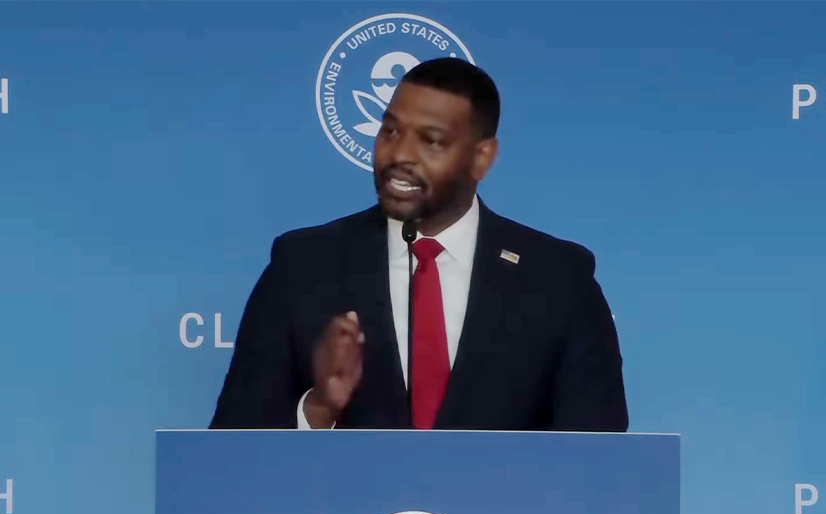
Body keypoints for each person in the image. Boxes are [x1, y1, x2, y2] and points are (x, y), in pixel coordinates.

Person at [209, 57, 628, 432]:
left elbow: (597, 460)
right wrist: (319, 408)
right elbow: (230, 449)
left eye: (431, 140)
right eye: (390, 130)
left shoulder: (560, 279)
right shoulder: (301, 266)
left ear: (482, 157)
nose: (399, 155)